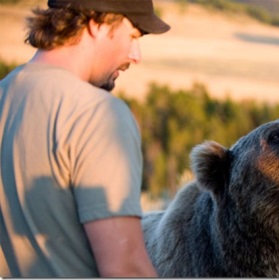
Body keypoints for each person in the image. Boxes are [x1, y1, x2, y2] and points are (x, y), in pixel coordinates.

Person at [0, 0, 170, 277]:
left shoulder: (4, 96)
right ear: (97, 22)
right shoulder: (97, 113)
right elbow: (125, 268)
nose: (136, 55)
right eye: (132, 37)